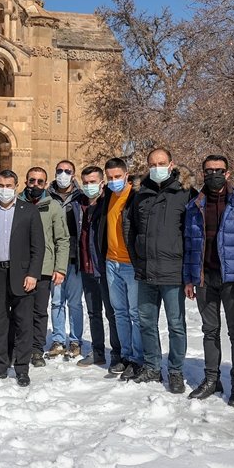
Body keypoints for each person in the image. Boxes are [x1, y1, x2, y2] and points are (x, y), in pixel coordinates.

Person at [183, 155, 234, 404]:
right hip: (204, 277)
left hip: (233, 279)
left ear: (228, 173)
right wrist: (189, 279)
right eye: (208, 170)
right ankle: (212, 379)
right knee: (209, 330)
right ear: (203, 173)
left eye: (219, 170)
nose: (214, 174)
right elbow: (189, 245)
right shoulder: (194, 205)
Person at [129, 148, 196, 392]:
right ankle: (152, 366)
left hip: (173, 270)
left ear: (171, 164)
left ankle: (175, 370)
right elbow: (131, 228)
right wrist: (137, 260)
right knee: (147, 322)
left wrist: (189, 270)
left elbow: (194, 234)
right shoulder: (139, 193)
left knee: (176, 324)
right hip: (146, 270)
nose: (157, 167)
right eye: (153, 163)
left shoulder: (185, 192)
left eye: (162, 163)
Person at [0, 170, 45, 386]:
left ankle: (22, 368)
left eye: (8, 185)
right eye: (1, 185)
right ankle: (0, 365)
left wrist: (33, 274)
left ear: (16, 186)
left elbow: (37, 247)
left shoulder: (28, 211)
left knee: (23, 323)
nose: (4, 189)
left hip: (22, 276)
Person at [97, 157, 142, 380]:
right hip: (111, 262)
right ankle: (125, 355)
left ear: (126, 175)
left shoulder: (136, 196)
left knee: (135, 313)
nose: (114, 181)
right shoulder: (108, 196)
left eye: (118, 177)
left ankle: (138, 358)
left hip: (130, 263)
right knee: (120, 313)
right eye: (110, 177)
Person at [74, 166, 122, 368]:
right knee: (93, 313)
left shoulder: (107, 204)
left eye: (93, 181)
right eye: (85, 182)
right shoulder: (78, 204)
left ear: (102, 183)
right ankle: (98, 351)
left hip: (104, 266)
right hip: (86, 267)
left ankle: (118, 354)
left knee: (112, 313)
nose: (88, 185)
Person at [22, 167, 70, 367]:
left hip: (44, 267)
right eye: (32, 180)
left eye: (40, 181)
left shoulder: (53, 206)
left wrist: (60, 268)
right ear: (26, 181)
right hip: (20, 266)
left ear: (45, 183)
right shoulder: (17, 203)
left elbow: (62, 239)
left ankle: (35, 349)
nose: (35, 185)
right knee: (19, 310)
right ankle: (20, 347)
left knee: (39, 311)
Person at [47, 160, 84, 360]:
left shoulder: (82, 197)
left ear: (73, 173)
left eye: (67, 171)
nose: (63, 174)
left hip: (75, 257)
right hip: (55, 259)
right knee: (57, 301)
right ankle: (58, 339)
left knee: (75, 302)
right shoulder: (48, 196)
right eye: (59, 170)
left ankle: (76, 340)